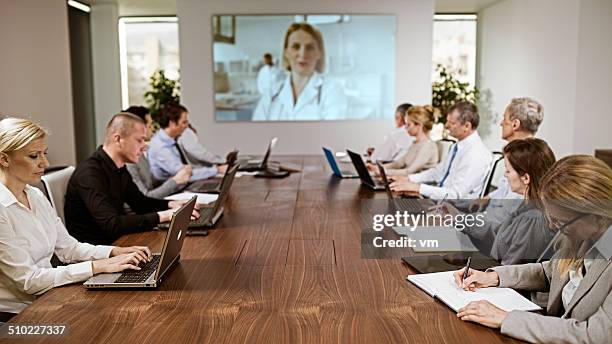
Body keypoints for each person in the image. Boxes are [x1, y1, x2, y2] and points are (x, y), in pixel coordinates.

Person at [0, 118, 151, 319]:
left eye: (44, 154)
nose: (45, 163)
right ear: (4, 159)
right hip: (18, 316)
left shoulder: (34, 195)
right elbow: (28, 280)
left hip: (48, 296)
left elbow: (69, 248)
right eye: (34, 156)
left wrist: (114, 252)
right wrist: (97, 267)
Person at [453, 155, 612, 343]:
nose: (553, 227)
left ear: (597, 215)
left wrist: (506, 318)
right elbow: (548, 272)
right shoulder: (584, 237)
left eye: (560, 221)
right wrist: (493, 277)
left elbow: (595, 335)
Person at [64, 112, 199, 245]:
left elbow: (140, 203)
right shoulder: (90, 173)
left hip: (116, 242)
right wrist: (164, 216)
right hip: (98, 252)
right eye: (139, 140)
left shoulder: (119, 167)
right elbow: (111, 224)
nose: (144, 147)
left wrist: (172, 204)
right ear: (118, 139)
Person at [439, 138, 556, 265]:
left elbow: (509, 268)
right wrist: (459, 218)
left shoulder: (533, 219)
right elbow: (499, 231)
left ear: (526, 178)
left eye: (508, 170)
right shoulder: (528, 206)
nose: (505, 175)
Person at [390, 101, 492, 200]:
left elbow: (455, 195)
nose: (446, 125)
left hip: (454, 210)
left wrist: (418, 188)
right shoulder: (457, 146)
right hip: (441, 202)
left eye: (451, 123)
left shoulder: (475, 154)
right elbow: (438, 172)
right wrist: (409, 180)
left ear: (467, 126)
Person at [471, 97, 545, 225]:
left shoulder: (523, 163)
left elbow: (502, 220)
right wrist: (487, 198)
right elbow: (505, 191)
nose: (501, 123)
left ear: (515, 124)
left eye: (504, 119)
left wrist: (460, 220)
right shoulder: (519, 156)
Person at [253, 22, 348, 121]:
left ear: (319, 53)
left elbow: (332, 134)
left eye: (310, 47)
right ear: (286, 52)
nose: (302, 54)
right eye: (295, 47)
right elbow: (256, 133)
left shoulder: (331, 91)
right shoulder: (271, 94)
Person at [123, 106, 192, 199]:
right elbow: (145, 198)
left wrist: (176, 179)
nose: (152, 129)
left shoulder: (139, 154)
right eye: (149, 125)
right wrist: (175, 181)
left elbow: (151, 183)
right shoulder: (128, 162)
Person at [148, 104, 227, 182]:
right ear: (172, 123)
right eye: (184, 122)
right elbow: (184, 174)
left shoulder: (171, 141)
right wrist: (217, 170)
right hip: (174, 191)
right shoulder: (161, 147)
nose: (187, 126)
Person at [367, 105, 438, 175]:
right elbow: (400, 163)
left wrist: (382, 172)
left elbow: (409, 171)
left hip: (417, 184)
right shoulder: (415, 143)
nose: (405, 128)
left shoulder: (428, 147)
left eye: (408, 125)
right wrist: (377, 168)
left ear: (419, 125)